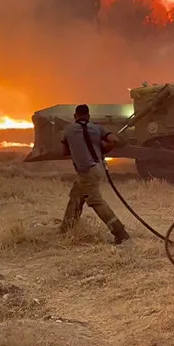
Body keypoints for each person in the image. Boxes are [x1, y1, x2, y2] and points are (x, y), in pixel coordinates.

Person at [60, 104, 130, 244]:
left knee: (96, 201)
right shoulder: (97, 128)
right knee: (76, 194)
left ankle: (120, 233)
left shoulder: (68, 130)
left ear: (75, 116)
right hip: (98, 168)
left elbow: (64, 151)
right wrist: (105, 148)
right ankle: (67, 227)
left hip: (86, 170)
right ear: (89, 116)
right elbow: (115, 140)